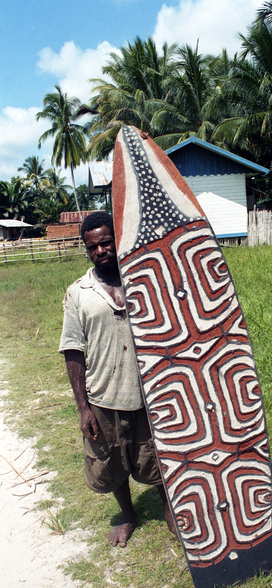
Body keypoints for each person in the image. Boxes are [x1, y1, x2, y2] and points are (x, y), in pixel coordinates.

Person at [59, 211, 176, 547]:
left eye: (106, 243)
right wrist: (83, 408)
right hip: (102, 396)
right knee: (111, 461)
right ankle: (128, 515)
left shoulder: (143, 280)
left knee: (155, 456)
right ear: (87, 249)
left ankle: (169, 508)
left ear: (117, 240)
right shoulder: (79, 293)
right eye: (93, 247)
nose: (100, 251)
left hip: (149, 393)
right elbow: (73, 352)